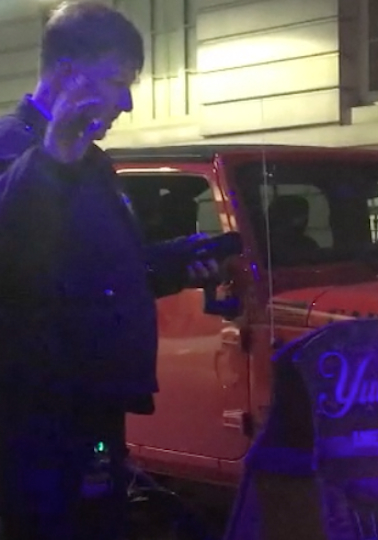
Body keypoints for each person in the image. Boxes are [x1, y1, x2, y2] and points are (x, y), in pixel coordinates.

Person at [0, 2, 221, 539]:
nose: (125, 102)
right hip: (35, 415)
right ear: (70, 74)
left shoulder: (92, 160)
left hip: (92, 404)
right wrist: (52, 159)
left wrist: (177, 265)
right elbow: (14, 249)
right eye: (117, 82)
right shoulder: (14, 148)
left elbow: (96, 269)